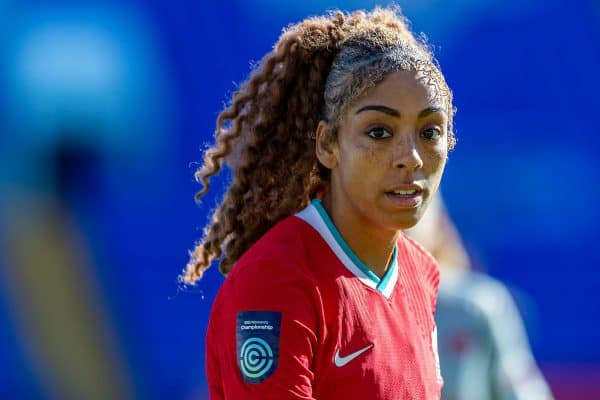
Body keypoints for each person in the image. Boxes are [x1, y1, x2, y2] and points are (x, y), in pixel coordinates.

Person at [183, 7, 456, 399]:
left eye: (430, 131)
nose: (411, 156)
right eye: (379, 131)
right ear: (328, 144)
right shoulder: (274, 280)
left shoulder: (420, 274)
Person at [406, 193, 554, 400]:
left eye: (414, 202)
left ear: (438, 220)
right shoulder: (479, 303)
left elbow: (523, 392)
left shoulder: (475, 305)